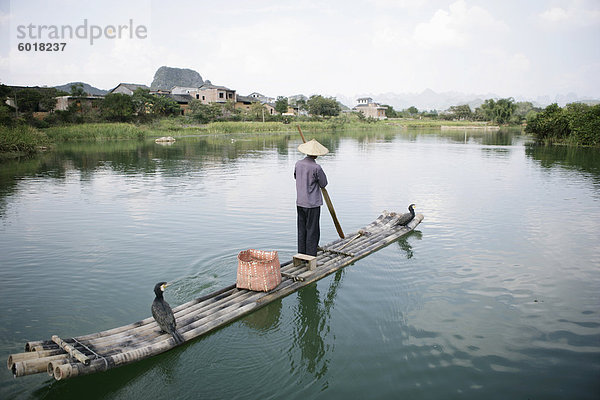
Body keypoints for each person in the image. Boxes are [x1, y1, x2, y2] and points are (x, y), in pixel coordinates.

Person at [294, 139, 329, 256]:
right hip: (312, 203)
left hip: (300, 202)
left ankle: (301, 253)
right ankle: (311, 256)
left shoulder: (298, 164)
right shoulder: (316, 168)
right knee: (312, 230)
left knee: (302, 229)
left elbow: (295, 176)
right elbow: (323, 183)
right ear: (316, 155)